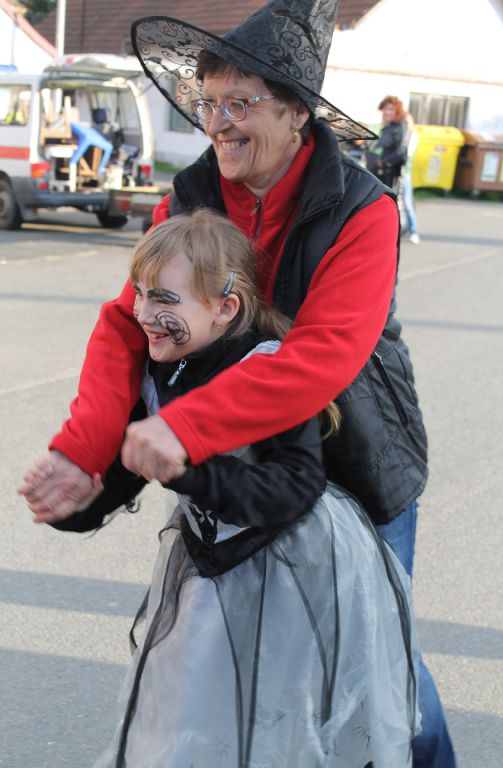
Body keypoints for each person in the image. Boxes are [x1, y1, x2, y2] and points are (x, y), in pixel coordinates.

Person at [19, 1, 456, 765]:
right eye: (209, 102)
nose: (217, 122)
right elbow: (130, 323)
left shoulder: (365, 209)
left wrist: (182, 430)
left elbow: (320, 357)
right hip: (238, 463)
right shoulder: (189, 196)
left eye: (240, 104)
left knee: (383, 668)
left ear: (296, 115)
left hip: (357, 456)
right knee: (251, 673)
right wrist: (84, 454)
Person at [39, 209, 417, 767]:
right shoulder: (158, 366)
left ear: (225, 308)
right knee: (188, 717)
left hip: (299, 572)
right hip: (210, 569)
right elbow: (130, 466)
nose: (143, 314)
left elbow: (294, 489)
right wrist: (75, 503)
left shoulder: (266, 369)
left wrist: (187, 472)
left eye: (164, 300)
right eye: (139, 294)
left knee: (283, 725)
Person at [366, 95, 408, 191]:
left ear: (397, 111)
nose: (387, 112)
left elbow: (401, 151)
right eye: (385, 109)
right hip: (383, 173)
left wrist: (383, 162)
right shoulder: (388, 127)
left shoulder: (399, 126)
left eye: (391, 109)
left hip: (391, 174)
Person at [401, 114, 421, 244]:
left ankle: (413, 231)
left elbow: (407, 154)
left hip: (405, 174)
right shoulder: (397, 134)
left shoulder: (412, 136)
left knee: (407, 203)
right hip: (396, 173)